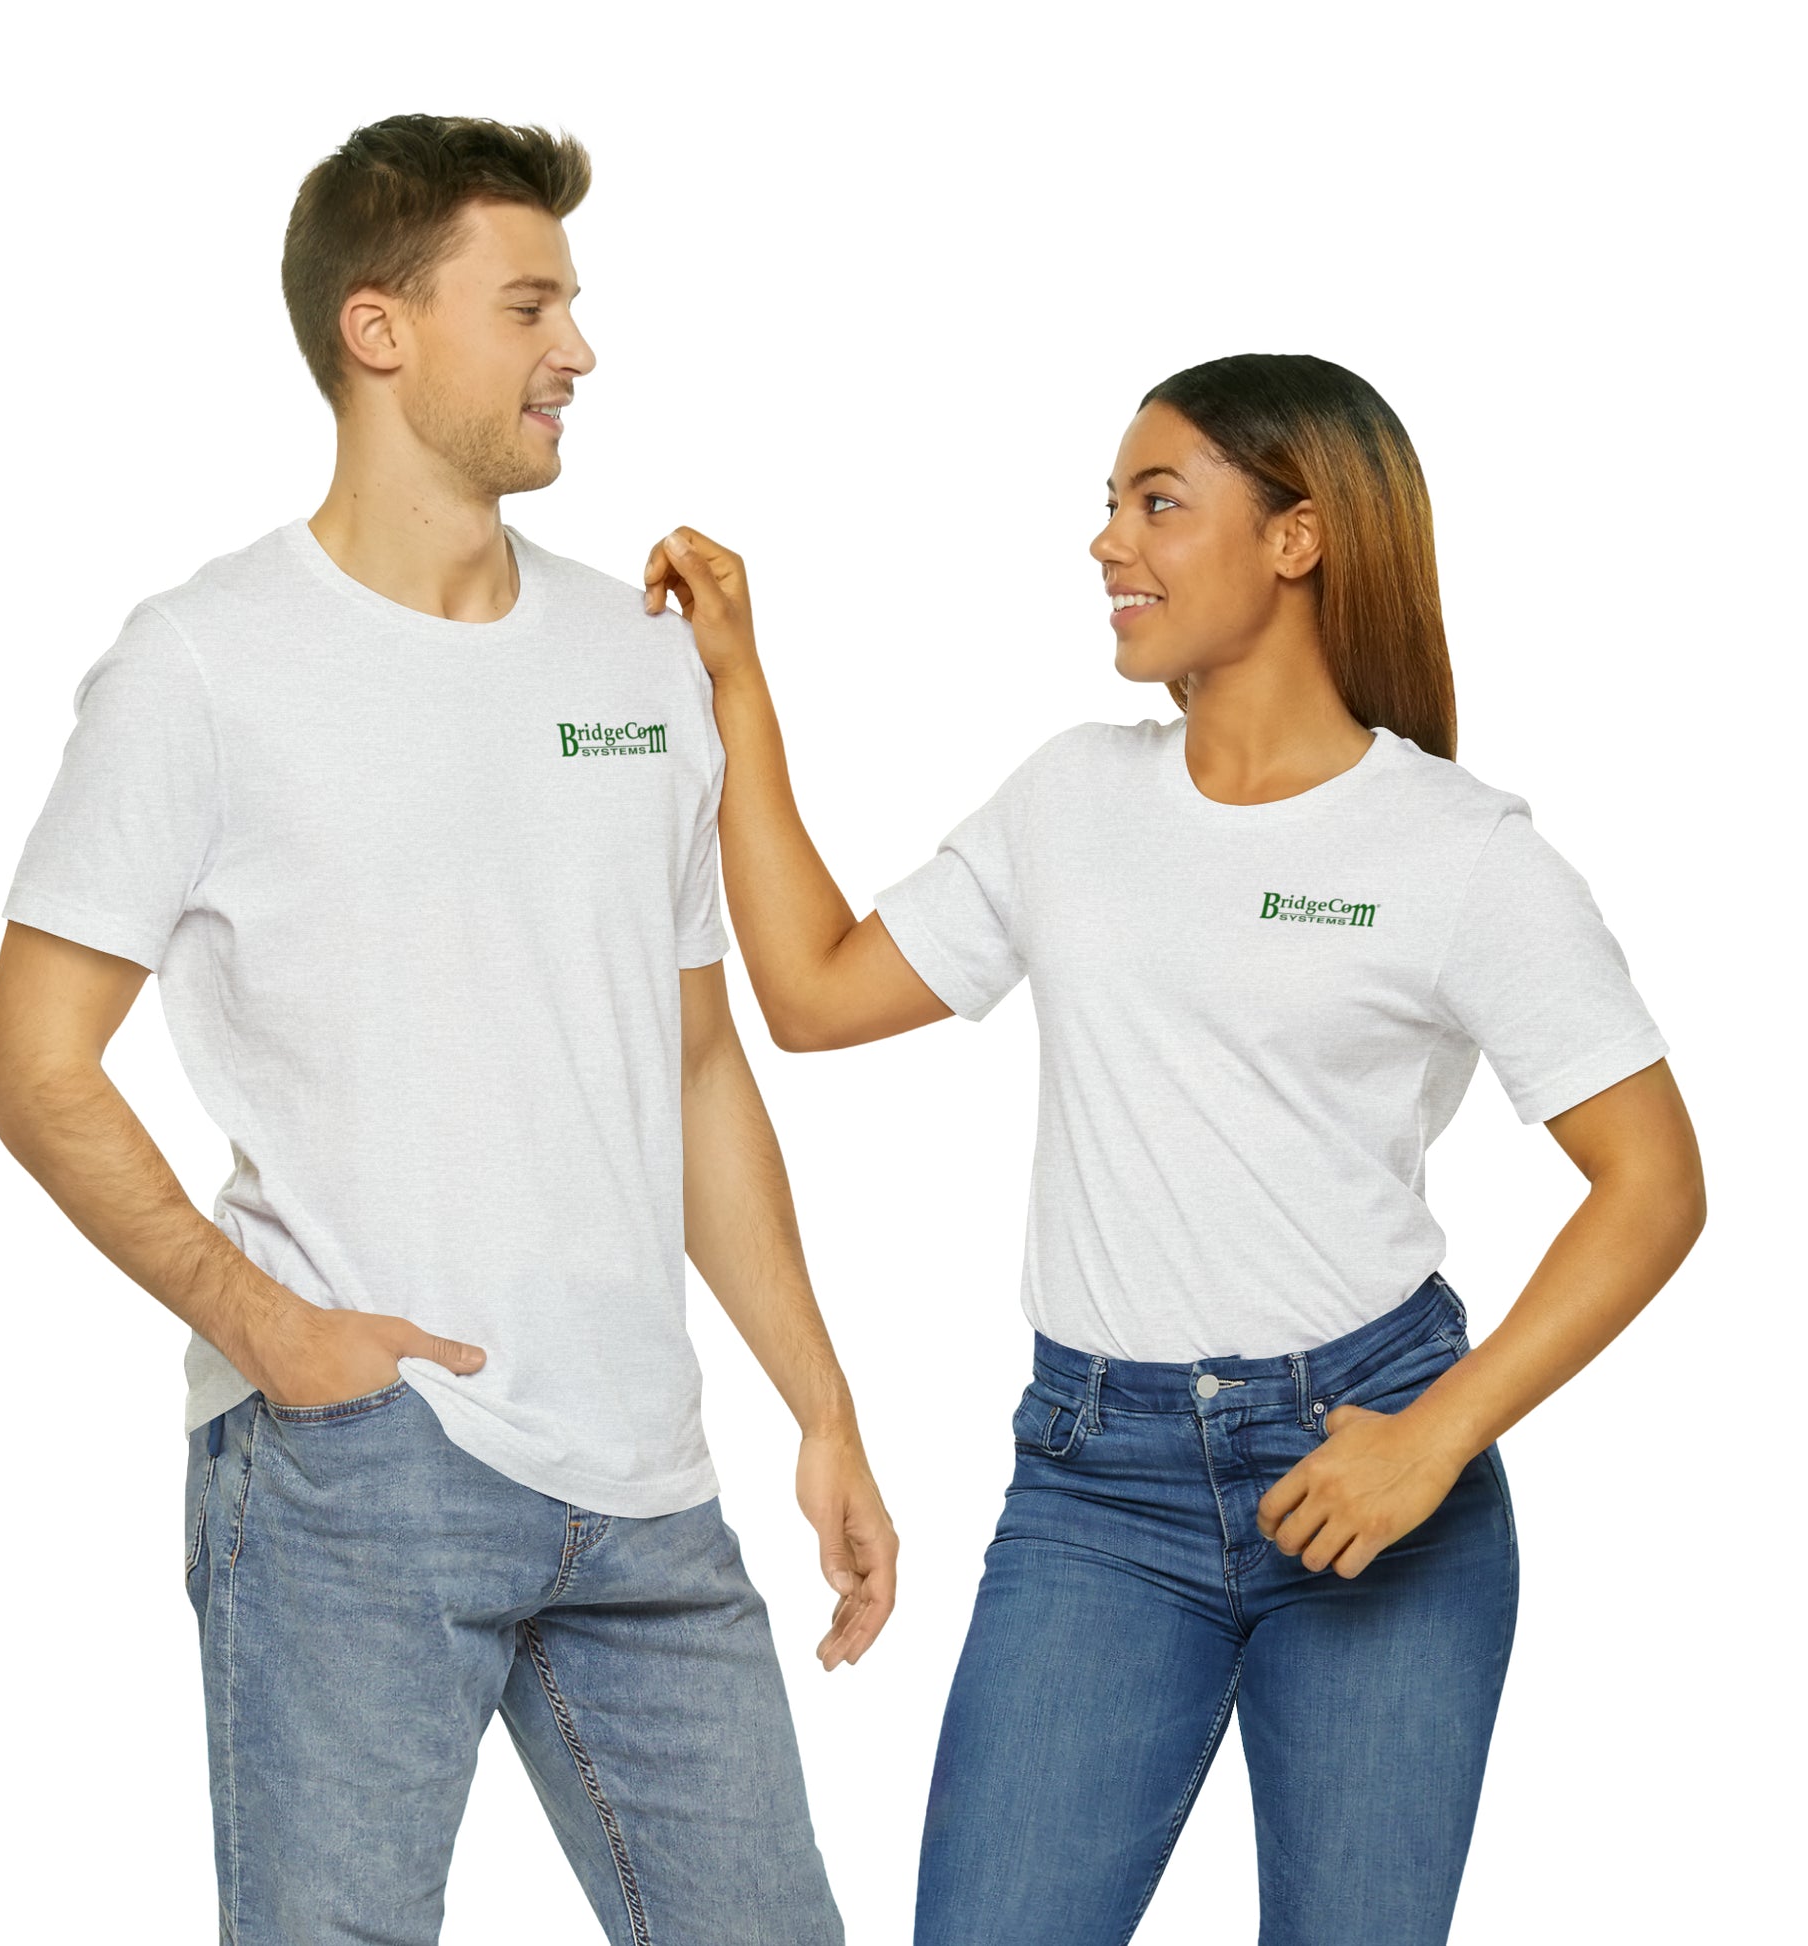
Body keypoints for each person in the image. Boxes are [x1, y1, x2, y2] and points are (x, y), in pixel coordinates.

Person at [642, 352, 1705, 1946]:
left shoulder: (1457, 850)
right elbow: (809, 992)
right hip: (1096, 1488)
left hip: (1372, 1472)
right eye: (1108, 506)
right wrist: (736, 684)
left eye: (1156, 502)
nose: (1105, 545)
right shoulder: (1073, 797)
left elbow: (1653, 1182)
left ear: (1296, 538)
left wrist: (1428, 1441)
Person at [0, 114, 891, 1946]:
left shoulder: (639, 664)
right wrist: (270, 1329)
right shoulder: (206, 661)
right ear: (378, 330)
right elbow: (32, 1056)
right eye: (532, 302)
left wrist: (822, 1400)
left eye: (575, 304)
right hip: (357, 1465)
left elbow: (696, 1059)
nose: (580, 350)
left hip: (647, 1470)